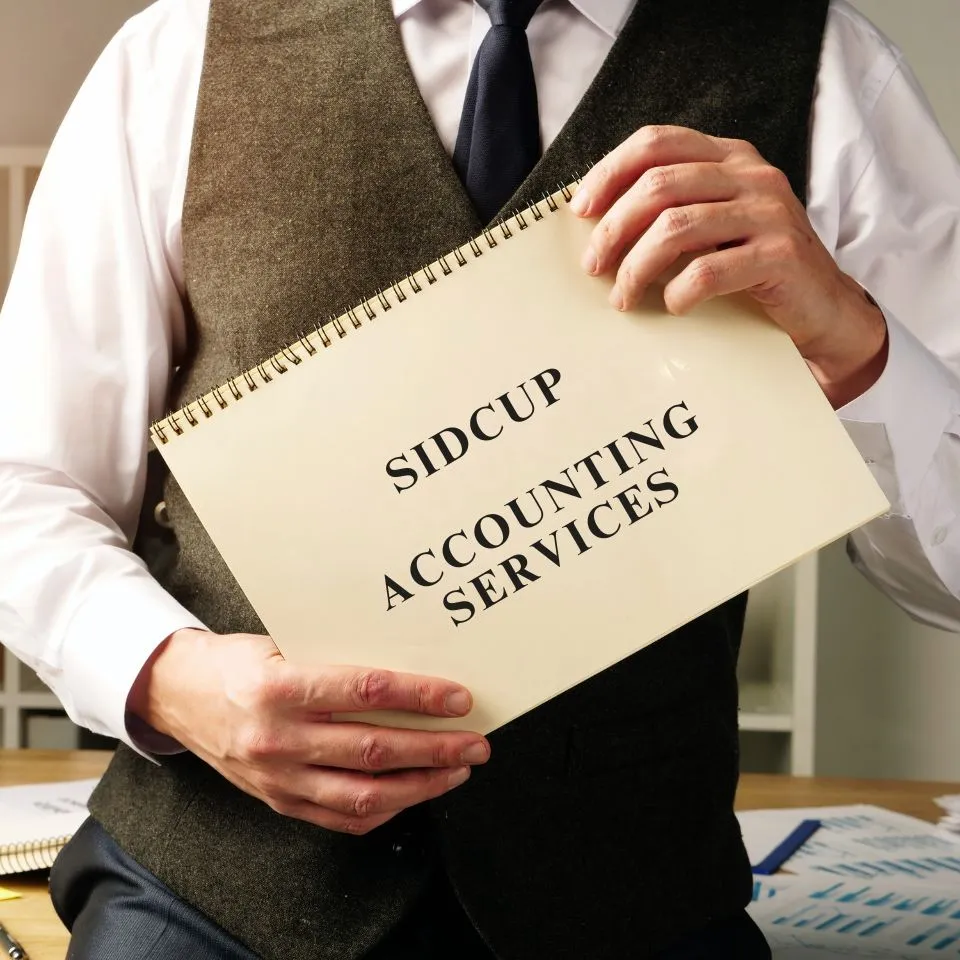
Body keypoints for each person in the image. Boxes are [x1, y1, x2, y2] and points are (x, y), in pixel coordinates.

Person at [1, 0, 959, 957]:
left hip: (638, 903)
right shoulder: (180, 49)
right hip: (215, 901)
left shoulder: (830, 68)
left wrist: (861, 348)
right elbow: (26, 486)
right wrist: (169, 678)